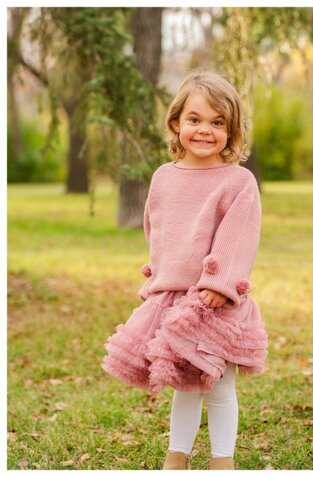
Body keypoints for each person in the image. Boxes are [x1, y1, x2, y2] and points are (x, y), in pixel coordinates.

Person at [101, 70, 268, 470]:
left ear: (232, 130)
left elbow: (239, 234)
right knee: (185, 386)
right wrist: (158, 281)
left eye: (217, 123)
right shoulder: (163, 177)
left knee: (219, 385)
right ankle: (177, 456)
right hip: (172, 297)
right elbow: (157, 229)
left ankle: (221, 460)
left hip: (214, 300)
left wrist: (220, 282)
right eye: (195, 120)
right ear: (176, 123)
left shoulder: (237, 181)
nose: (205, 130)